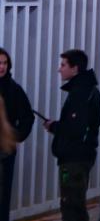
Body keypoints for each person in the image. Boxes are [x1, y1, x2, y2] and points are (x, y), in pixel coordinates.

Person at [44, 50, 100, 221]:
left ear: (75, 68)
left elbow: (75, 129)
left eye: (63, 65)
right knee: (75, 204)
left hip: (75, 159)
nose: (59, 69)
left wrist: (54, 126)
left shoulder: (81, 93)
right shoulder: (85, 90)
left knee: (71, 206)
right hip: (79, 156)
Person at [0, 48, 33, 221]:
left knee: (2, 199)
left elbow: (28, 117)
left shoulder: (14, 89)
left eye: (5, 63)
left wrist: (15, 137)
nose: (2, 67)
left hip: (5, 153)